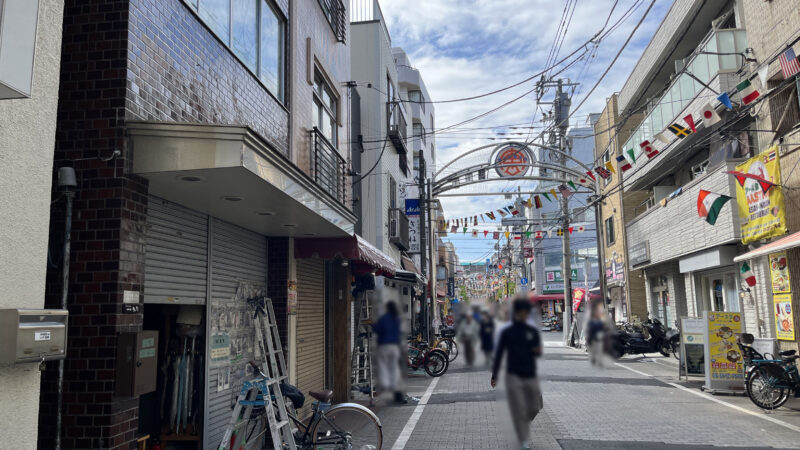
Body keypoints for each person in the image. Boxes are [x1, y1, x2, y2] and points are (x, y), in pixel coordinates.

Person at [491, 296, 543, 450]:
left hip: (530, 374)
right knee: (519, 407)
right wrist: (495, 375)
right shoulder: (507, 333)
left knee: (535, 406)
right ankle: (522, 440)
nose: (524, 315)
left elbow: (537, 352)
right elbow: (499, 354)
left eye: (526, 312)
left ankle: (521, 422)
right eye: (521, 312)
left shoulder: (532, 331)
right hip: (512, 375)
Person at [372, 301, 405, 403]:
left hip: (384, 346)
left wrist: (372, 324)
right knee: (394, 367)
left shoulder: (383, 318)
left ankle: (385, 385)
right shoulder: (397, 318)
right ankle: (395, 388)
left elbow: (378, 329)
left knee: (383, 366)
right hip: (395, 346)